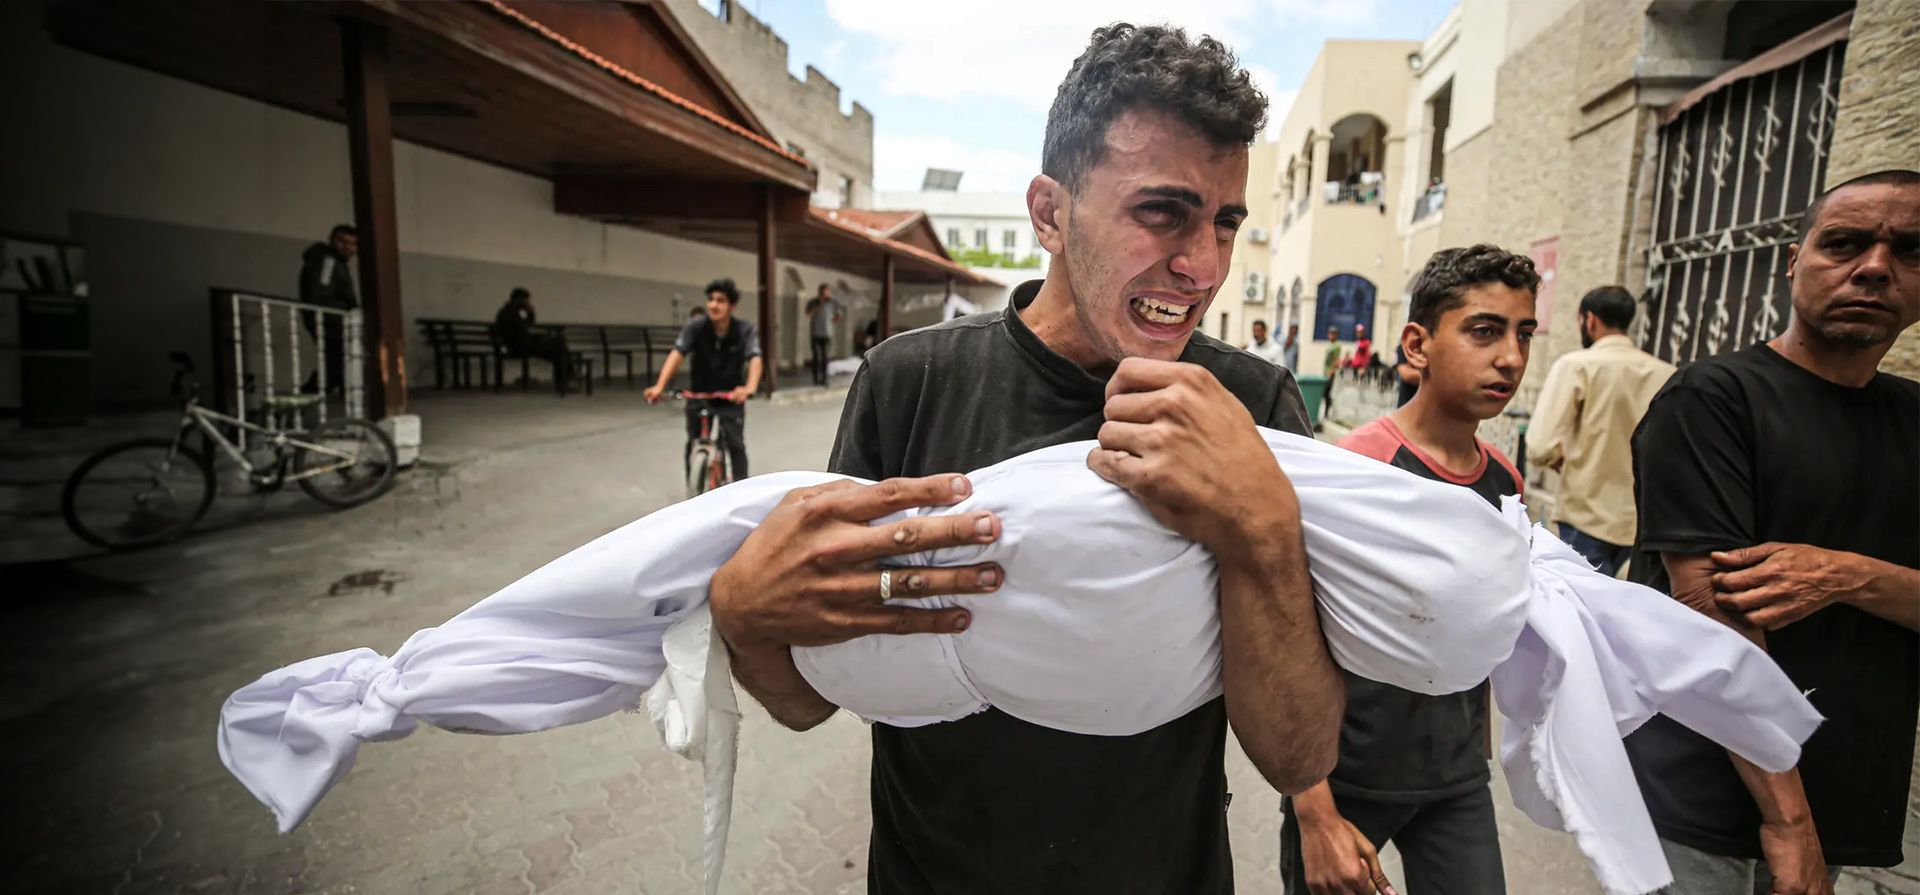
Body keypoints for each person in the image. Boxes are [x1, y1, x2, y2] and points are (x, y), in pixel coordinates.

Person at [701, 24, 1344, 893]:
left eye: (1226, 223)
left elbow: (1296, 749)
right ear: (1049, 212)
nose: (1202, 265)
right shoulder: (910, 383)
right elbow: (811, 699)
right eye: (1163, 212)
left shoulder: (1255, 408)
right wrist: (744, 616)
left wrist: (1262, 531)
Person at [1626, 169, 1920, 895]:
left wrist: (1850, 575)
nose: (1875, 268)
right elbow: (1715, 619)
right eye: (1845, 244)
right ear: (1794, 261)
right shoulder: (1715, 398)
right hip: (1706, 799)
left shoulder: (1911, 417)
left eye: (1909, 250)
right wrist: (1790, 823)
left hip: (1846, 784)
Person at [1283, 244, 1537, 895]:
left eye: (1524, 333)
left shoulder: (1505, 483)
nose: (1510, 356)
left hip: (1455, 781)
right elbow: (1285, 633)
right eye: (1484, 331)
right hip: (1346, 780)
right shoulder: (1356, 467)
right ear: (1417, 345)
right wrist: (1313, 811)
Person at [1525, 285, 1674, 577]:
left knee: (1583, 613)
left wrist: (1557, 459)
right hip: (1639, 522)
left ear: (1589, 320)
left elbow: (1539, 446)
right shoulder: (1665, 373)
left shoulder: (1577, 366)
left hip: (1585, 516)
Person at [644, 278, 763, 479]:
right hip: (699, 393)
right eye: (711, 299)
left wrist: (749, 388)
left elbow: (755, 358)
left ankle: (742, 491)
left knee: (735, 444)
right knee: (693, 442)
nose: (713, 305)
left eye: (720, 300)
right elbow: (677, 354)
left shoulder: (744, 331)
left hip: (730, 396)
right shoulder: (695, 327)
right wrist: (659, 386)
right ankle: (695, 489)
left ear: (732, 306)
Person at [298, 224, 357, 394]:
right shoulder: (328, 262)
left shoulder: (334, 262)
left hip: (332, 321)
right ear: (331, 240)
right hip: (330, 322)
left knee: (335, 367)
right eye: (342, 241)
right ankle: (302, 401)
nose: (347, 247)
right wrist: (347, 313)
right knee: (333, 368)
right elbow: (321, 294)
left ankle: (304, 401)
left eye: (352, 244)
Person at [493, 287, 573, 393]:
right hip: (517, 348)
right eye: (526, 300)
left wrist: (530, 313)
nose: (527, 302)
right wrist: (530, 312)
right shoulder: (509, 313)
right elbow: (522, 331)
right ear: (519, 299)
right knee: (559, 344)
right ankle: (567, 378)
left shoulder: (511, 311)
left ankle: (564, 382)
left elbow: (525, 327)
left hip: (522, 345)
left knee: (558, 349)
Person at [804, 284, 844, 386]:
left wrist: (833, 321)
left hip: (827, 334)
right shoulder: (813, 302)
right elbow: (808, 314)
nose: (825, 294)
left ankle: (825, 379)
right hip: (815, 333)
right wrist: (817, 307)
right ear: (820, 292)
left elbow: (840, 314)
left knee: (825, 357)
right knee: (816, 357)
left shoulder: (832, 302)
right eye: (823, 292)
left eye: (827, 292)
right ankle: (816, 378)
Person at [1323, 325, 1345, 419]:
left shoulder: (1336, 345)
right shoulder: (1330, 344)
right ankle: (1327, 411)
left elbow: (1337, 360)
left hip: (1331, 373)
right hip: (1325, 371)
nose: (1331, 336)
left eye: (1333, 334)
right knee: (1325, 393)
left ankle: (1327, 413)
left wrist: (1332, 371)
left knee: (1328, 393)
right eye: (1330, 333)